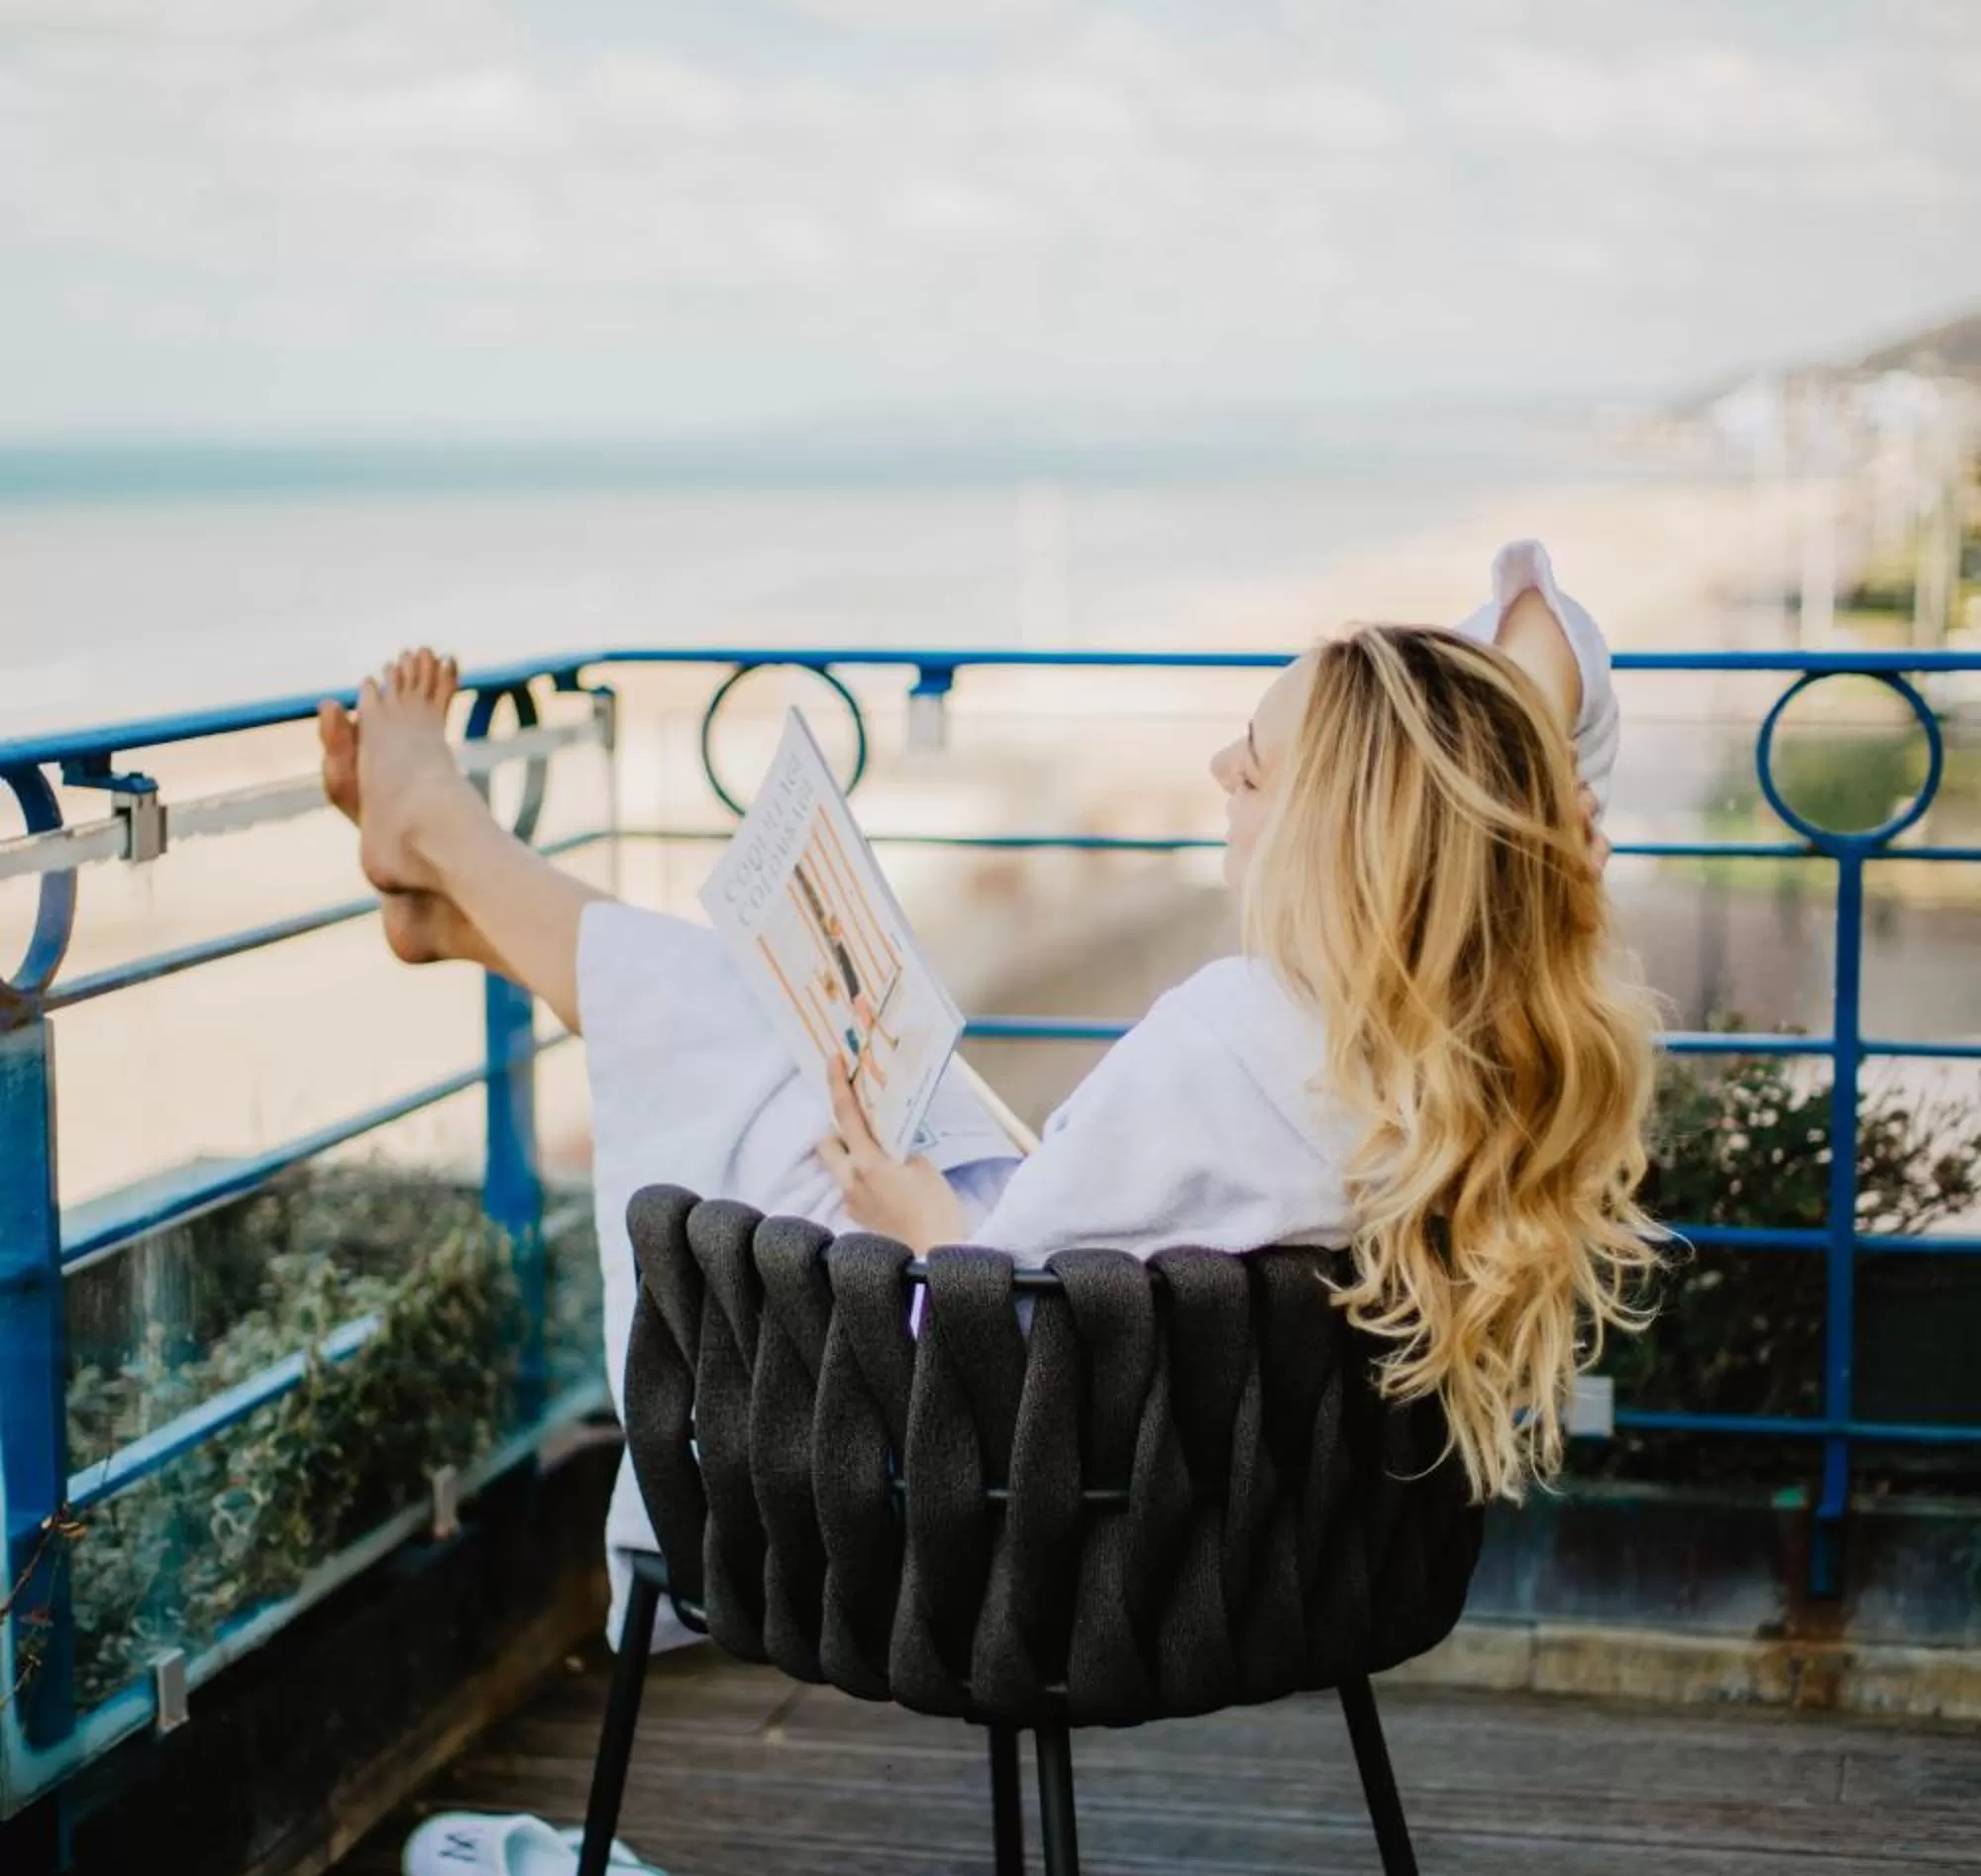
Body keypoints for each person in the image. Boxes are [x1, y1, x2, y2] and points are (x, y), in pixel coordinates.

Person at [319, 542, 1660, 1647]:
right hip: (1206, 1553)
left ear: (1336, 830)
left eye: (1248, 767)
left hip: (973, 1522)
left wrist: (914, 1213)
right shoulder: (1454, 1062)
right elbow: (1529, 660)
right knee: (762, 1035)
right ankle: (450, 891)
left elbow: (994, 1337)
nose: (1218, 780)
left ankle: (442, 846)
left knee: (749, 1031)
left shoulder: (1235, 1040)